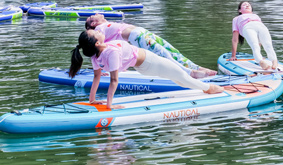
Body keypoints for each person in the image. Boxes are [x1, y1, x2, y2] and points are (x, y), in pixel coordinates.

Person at [69, 29, 222, 109]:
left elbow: (96, 77)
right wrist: (109, 105)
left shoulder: (96, 56)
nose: (98, 31)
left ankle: (203, 87)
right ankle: (208, 88)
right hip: (150, 62)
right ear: (96, 43)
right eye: (95, 33)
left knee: (179, 79)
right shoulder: (111, 53)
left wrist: (92, 99)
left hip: (144, 65)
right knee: (182, 76)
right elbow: (114, 81)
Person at [85, 14, 217, 79]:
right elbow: (95, 48)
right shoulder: (99, 30)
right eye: (92, 16)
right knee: (165, 55)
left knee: (171, 50)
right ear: (94, 23)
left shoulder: (105, 28)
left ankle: (196, 67)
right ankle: (191, 73)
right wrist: (101, 68)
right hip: (138, 36)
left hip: (142, 33)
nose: (95, 13)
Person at [231, 1, 278, 71]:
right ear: (240, 10)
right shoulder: (236, 19)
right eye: (244, 5)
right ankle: (261, 62)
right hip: (247, 27)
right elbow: (235, 39)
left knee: (268, 44)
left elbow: (260, 40)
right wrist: (233, 56)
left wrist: (259, 54)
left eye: (248, 5)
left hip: (261, 26)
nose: (247, 5)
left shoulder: (256, 16)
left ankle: (274, 61)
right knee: (255, 45)